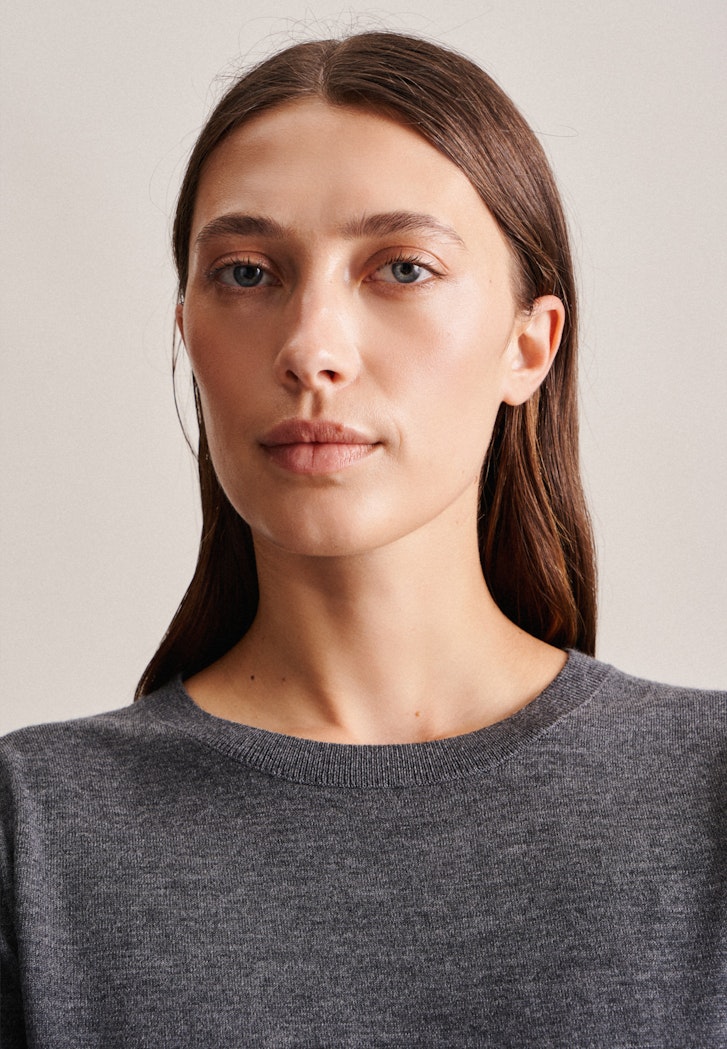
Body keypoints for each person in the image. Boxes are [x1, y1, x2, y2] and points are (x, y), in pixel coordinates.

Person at [0, 30, 724, 1048]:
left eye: (402, 268)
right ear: (186, 330)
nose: (310, 350)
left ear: (529, 344)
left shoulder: (705, 796)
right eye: (246, 272)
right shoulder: (32, 832)